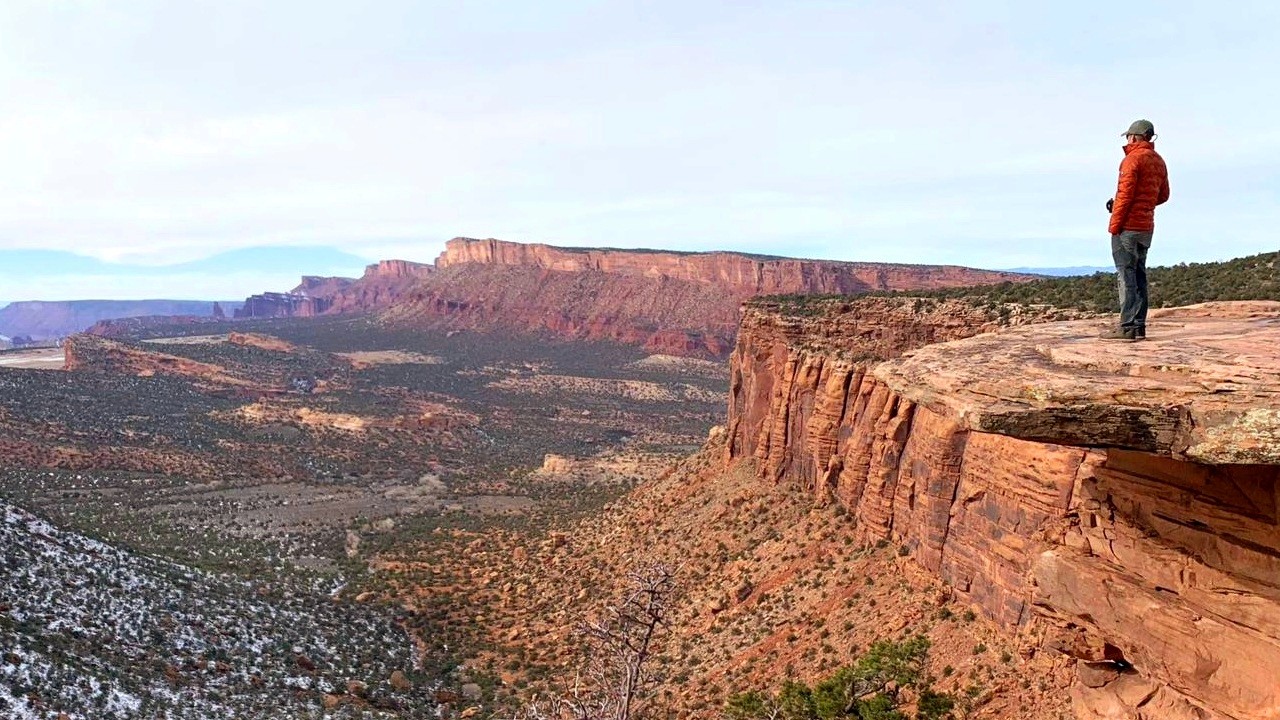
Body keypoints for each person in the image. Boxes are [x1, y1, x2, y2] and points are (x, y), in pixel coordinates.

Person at [1101, 119, 1170, 341]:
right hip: (1146, 226)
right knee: (1139, 273)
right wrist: (1145, 204)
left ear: (1134, 137)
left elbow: (1125, 195)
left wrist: (1114, 224)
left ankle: (1127, 327)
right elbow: (1163, 195)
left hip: (1128, 227)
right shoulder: (1159, 161)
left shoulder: (1132, 160)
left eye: (1128, 136)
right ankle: (1139, 325)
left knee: (1126, 274)